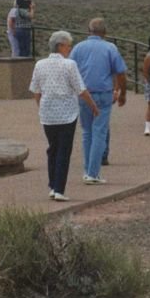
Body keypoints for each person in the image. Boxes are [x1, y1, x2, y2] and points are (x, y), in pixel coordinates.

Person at [30, 31, 99, 202]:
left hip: (47, 114)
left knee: (52, 148)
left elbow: (36, 91)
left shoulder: (40, 64)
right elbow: (80, 89)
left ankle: (53, 186)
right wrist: (93, 106)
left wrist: (42, 107)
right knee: (63, 150)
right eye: (68, 45)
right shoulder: (69, 65)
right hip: (67, 114)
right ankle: (59, 188)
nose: (70, 49)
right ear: (60, 46)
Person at [70, 18, 127, 184]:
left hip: (84, 94)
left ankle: (88, 170)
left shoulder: (78, 48)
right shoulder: (110, 48)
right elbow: (121, 72)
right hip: (103, 94)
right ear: (105, 32)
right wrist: (122, 92)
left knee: (87, 132)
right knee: (99, 132)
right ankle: (93, 174)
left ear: (89, 30)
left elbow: (70, 69)